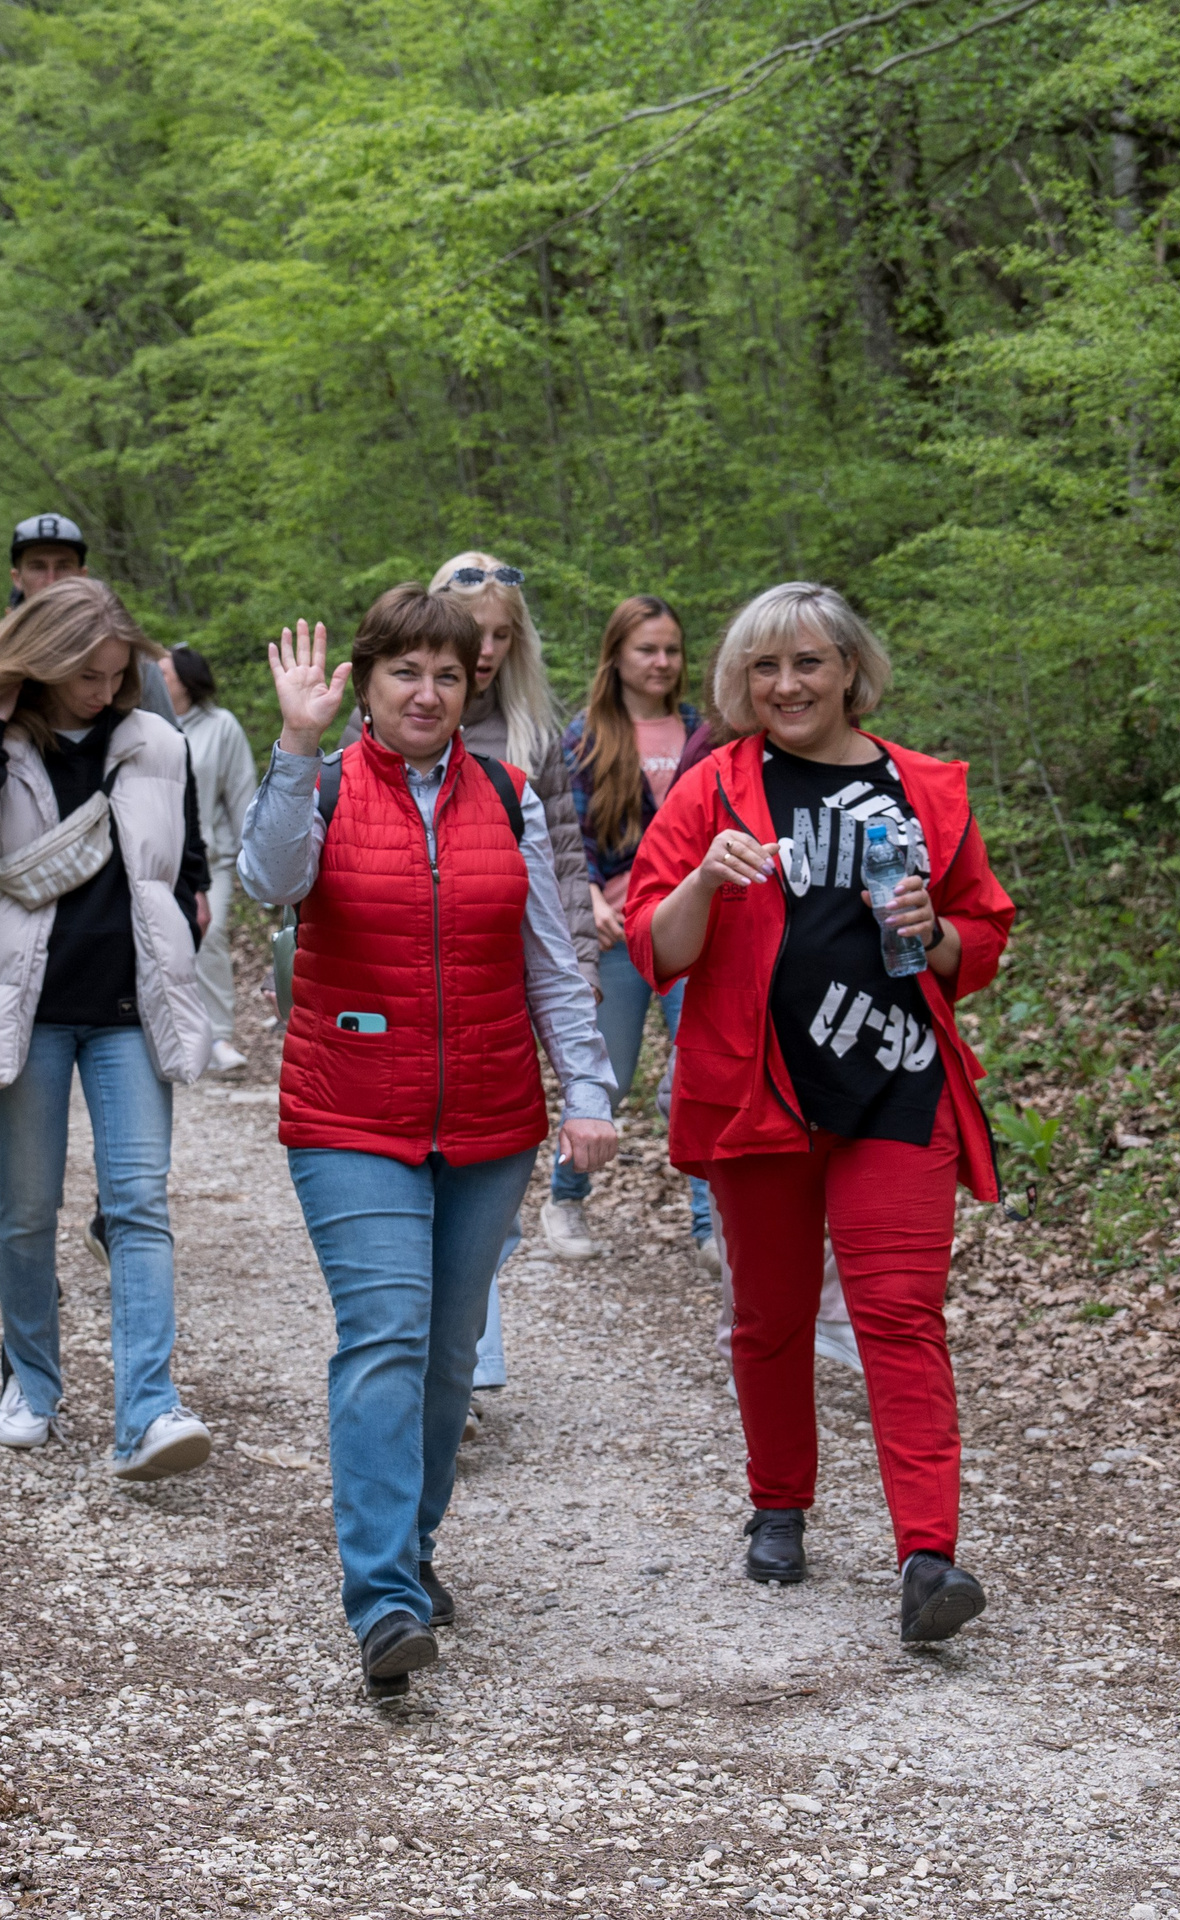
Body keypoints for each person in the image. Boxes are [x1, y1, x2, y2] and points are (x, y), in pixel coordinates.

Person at [241, 593, 617, 1696]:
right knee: (386, 1335)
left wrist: (586, 1087)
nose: (425, 693)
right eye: (403, 671)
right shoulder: (319, 783)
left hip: (491, 1119)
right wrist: (295, 747)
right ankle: (384, 1603)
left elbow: (551, 955)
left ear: (473, 689)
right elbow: (270, 883)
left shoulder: (505, 795)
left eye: (447, 677)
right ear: (365, 683)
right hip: (350, 1113)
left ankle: (413, 1548)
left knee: (450, 1361)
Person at [626, 581, 1013, 1644]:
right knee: (770, 1314)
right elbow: (655, 945)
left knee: (898, 1317)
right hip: (761, 1093)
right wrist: (705, 878)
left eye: (806, 663)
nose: (786, 685)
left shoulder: (922, 788)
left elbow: (980, 936)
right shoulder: (715, 788)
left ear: (849, 669)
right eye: (763, 667)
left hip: (896, 1083)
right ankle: (779, 1504)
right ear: (738, 684)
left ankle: (928, 1557)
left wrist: (934, 931)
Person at [0, 577, 219, 1480]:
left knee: (139, 1207)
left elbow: (187, 855)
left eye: (115, 673)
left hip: (133, 1009)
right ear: (43, 666)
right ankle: (32, 1384)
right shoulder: (0, 746)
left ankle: (148, 1410)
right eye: (85, 675)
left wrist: (184, 921)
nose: (103, 690)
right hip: (31, 1012)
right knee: (27, 1212)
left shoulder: (157, 744)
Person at [409, 554, 603, 1424]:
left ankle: (467, 1362)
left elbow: (566, 863)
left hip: (509, 979)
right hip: (416, 984)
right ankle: (438, 1358)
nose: (484, 651)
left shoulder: (532, 736)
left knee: (487, 1175)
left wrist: (581, 979)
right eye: (472, 631)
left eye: (501, 634)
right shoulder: (402, 715)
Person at [541, 594, 717, 1263]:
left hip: (693, 926)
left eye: (671, 649)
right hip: (615, 930)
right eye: (647, 649)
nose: (662, 662)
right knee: (605, 1077)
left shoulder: (706, 735)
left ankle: (710, 1225)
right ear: (615, 655)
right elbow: (567, 835)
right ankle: (565, 1196)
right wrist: (588, 898)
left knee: (700, 1072)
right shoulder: (586, 735)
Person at [162, 646, 256, 1074]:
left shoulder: (222, 727)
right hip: (156, 859)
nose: (156, 677)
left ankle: (218, 1036)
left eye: (164, 672)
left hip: (211, 857)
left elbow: (240, 793)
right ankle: (173, 1036)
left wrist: (258, 862)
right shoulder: (147, 723)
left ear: (186, 680)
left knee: (210, 933)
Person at [8, 514, 181, 727]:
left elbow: (171, 747)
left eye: (63, 566)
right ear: (17, 578)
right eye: (38, 567)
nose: (51, 580)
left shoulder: (129, 656)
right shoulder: (0, 656)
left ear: (82, 574)